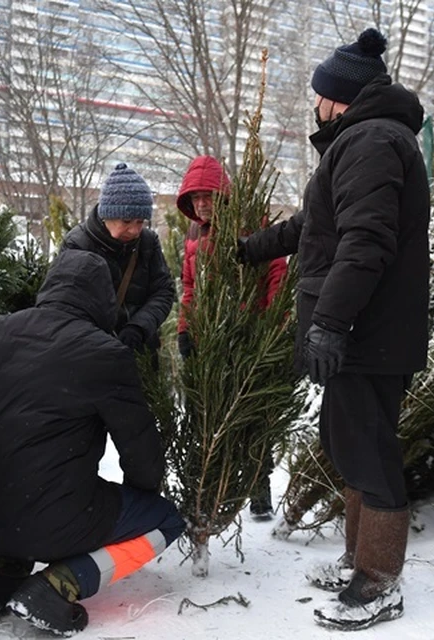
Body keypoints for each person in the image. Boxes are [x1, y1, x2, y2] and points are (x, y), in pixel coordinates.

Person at [236, 28, 430, 631]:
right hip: (360, 335)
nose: (313, 104)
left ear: (335, 97)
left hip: (364, 335)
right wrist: (253, 247)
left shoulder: (371, 141)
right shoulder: (361, 142)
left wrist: (329, 323)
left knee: (370, 453)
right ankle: (357, 559)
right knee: (352, 445)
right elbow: (315, 225)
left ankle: (380, 579)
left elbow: (365, 242)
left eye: (318, 94)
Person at [0, 249, 185, 636]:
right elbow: (138, 446)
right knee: (166, 521)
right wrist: (141, 499)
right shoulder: (103, 353)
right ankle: (59, 586)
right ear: (104, 299)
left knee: (30, 489)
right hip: (46, 519)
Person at [175, 154, 288, 520]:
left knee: (253, 414)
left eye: (208, 196)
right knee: (213, 414)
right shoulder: (195, 235)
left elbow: (276, 273)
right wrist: (185, 329)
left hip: (248, 334)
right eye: (195, 199)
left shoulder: (250, 225)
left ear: (223, 195)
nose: (202, 205)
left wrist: (272, 321)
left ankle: (259, 490)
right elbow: (190, 287)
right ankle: (215, 490)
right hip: (211, 339)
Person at [60, 162, 175, 360]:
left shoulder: (148, 242)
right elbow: (64, 306)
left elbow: (163, 291)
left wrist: (139, 327)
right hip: (90, 356)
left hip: (140, 352)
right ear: (107, 215)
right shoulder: (77, 244)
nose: (135, 230)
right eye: (127, 221)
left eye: (141, 222)